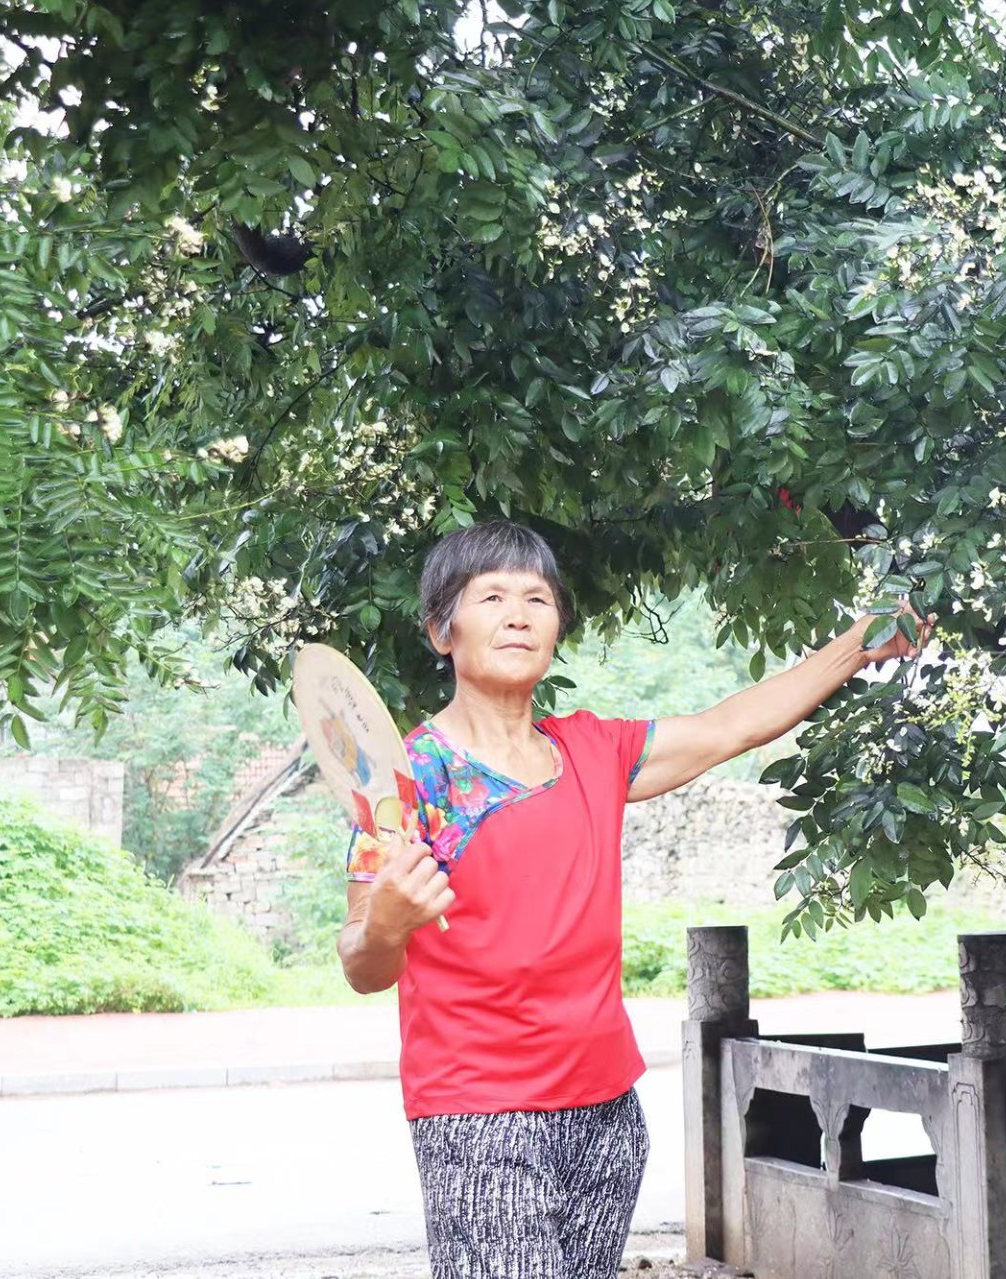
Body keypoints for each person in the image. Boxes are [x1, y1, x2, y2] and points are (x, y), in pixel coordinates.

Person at [336, 519, 930, 1279]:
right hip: (478, 1112)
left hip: (607, 1108)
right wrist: (386, 926)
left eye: (537, 598)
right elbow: (361, 963)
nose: (518, 615)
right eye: (491, 597)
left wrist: (862, 643)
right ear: (440, 630)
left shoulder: (594, 750)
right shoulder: (407, 784)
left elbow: (732, 726)